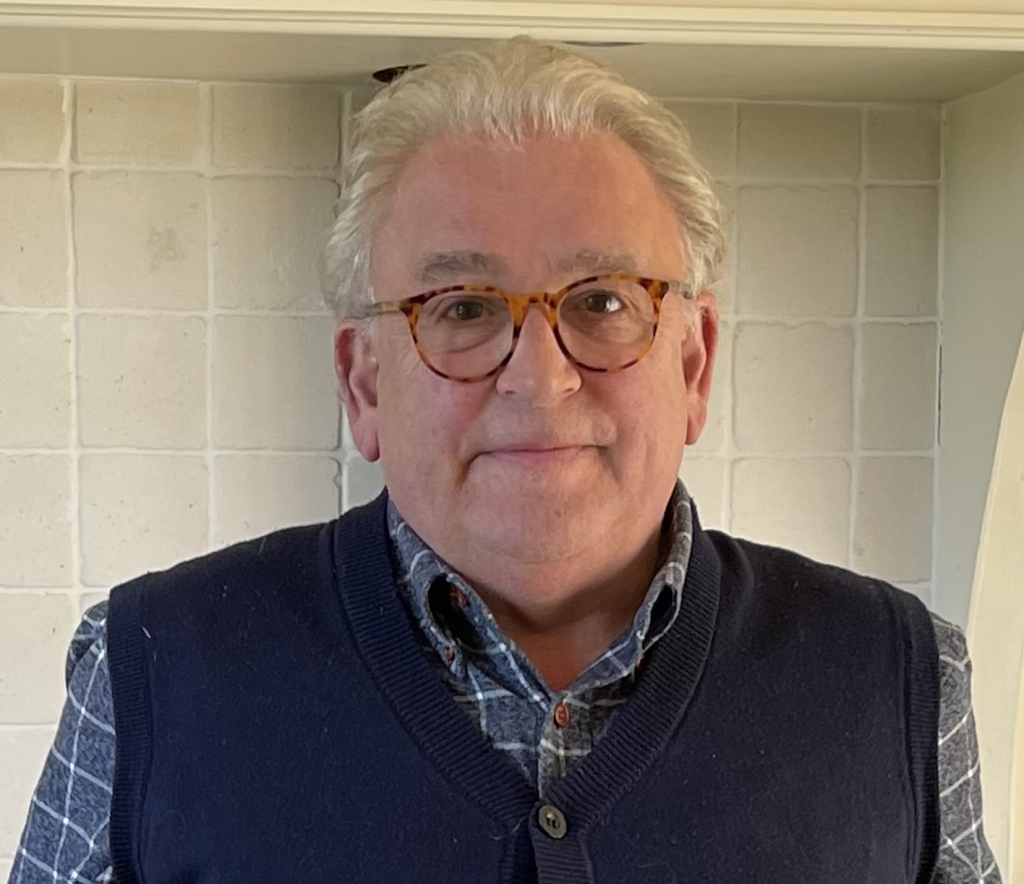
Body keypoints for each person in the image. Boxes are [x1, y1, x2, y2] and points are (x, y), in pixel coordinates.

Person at [9, 37, 1001, 884]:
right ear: (363, 383)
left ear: (693, 362)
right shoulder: (148, 672)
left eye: (603, 300)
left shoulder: (899, 681)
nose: (539, 377)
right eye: (464, 308)